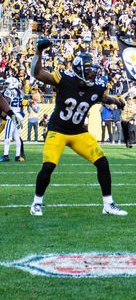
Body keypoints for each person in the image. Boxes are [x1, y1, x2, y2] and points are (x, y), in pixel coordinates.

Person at [29, 38, 128, 216]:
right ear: (79, 69)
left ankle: (108, 204)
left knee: (102, 163)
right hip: (57, 130)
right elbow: (37, 73)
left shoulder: (96, 88)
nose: (92, 74)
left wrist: (117, 101)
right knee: (48, 166)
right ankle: (36, 203)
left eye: (93, 71)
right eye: (89, 71)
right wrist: (39, 52)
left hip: (78, 132)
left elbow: (104, 98)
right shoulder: (65, 79)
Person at [1, 77, 25, 162]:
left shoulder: (8, 92)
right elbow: (22, 104)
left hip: (12, 115)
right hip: (19, 115)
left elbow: (6, 102)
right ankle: (18, 156)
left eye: (8, 83)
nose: (6, 85)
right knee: (16, 137)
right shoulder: (20, 93)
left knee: (7, 136)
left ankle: (5, 155)